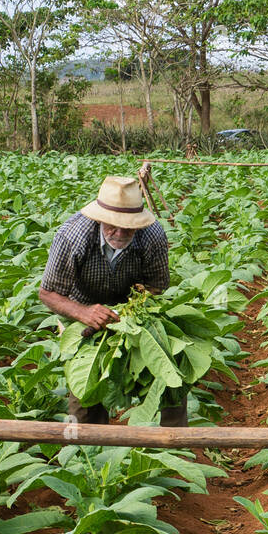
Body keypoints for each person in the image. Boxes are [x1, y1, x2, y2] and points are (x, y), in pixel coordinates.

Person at [38, 171, 187, 426]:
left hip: (132, 310)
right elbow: (48, 293)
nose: (119, 232)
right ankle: (87, 451)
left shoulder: (152, 235)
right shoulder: (72, 236)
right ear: (99, 219)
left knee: (171, 367)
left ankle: (175, 446)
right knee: (85, 389)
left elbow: (157, 286)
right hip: (81, 310)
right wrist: (84, 313)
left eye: (127, 226)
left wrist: (129, 311)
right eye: (111, 225)